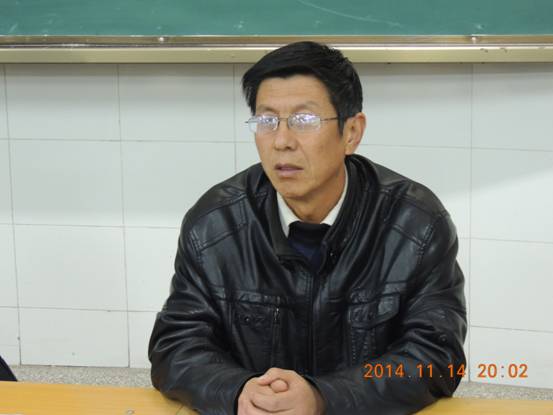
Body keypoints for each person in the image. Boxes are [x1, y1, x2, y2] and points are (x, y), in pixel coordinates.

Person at [149, 41, 467, 415]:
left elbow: (437, 357)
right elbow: (175, 346)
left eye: (304, 121)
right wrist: (238, 391)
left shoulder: (415, 223)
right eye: (266, 122)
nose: (282, 142)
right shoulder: (214, 224)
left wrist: (323, 397)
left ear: (352, 132)